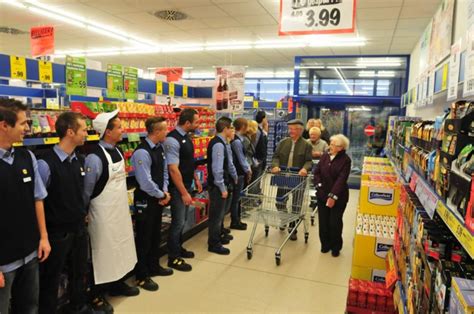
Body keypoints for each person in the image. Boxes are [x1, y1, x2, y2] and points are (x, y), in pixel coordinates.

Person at [83, 110, 139, 313]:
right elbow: (88, 190)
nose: (123, 130)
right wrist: (84, 211)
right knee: (101, 252)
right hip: (103, 213)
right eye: (119, 127)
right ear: (107, 131)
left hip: (119, 211)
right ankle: (96, 294)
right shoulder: (94, 157)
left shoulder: (117, 151)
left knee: (121, 246)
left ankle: (117, 283)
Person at [37, 112, 92, 314]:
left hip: (78, 228)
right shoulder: (45, 163)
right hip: (57, 233)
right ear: (70, 132)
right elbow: (38, 201)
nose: (87, 133)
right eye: (84, 129)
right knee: (51, 279)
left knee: (80, 272)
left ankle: (79, 307)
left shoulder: (78, 160)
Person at [0, 99, 50, 314]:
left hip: (30, 251)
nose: (27, 128)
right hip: (3, 261)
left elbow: (37, 199)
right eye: (22, 123)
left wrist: (44, 237)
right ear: (4, 125)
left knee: (29, 306)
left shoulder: (27, 157)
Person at [131, 117, 173, 292]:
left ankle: (153, 266)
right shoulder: (142, 152)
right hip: (146, 200)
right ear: (156, 132)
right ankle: (141, 275)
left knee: (155, 234)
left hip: (158, 198)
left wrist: (164, 191)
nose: (167, 132)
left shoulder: (160, 148)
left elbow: (163, 171)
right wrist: (161, 194)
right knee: (144, 238)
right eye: (164, 129)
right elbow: (144, 181)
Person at [165, 108, 202, 272]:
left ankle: (178, 248)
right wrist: (184, 192)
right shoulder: (172, 140)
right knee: (178, 222)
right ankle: (173, 257)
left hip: (187, 185)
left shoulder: (186, 137)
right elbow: (173, 170)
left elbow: (188, 162)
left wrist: (195, 179)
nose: (198, 124)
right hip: (177, 189)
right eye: (196, 121)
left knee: (183, 221)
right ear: (187, 123)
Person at [271, 119, 312, 241]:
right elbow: (275, 157)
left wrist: (305, 168)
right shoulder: (283, 142)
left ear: (300, 130)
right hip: (283, 177)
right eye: (290, 129)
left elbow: (309, 161)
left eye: (294, 129)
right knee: (279, 202)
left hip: (298, 178)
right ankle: (284, 218)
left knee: (296, 205)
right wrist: (275, 165)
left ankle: (292, 227)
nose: (291, 131)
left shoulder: (306, 145)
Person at [313, 134, 352, 257]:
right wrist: (319, 185)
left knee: (334, 222)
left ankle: (336, 247)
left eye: (333, 144)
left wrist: (333, 196)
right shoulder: (325, 156)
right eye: (331, 143)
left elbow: (341, 179)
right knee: (323, 222)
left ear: (341, 148)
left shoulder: (346, 160)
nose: (330, 146)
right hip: (322, 194)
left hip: (338, 197)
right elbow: (317, 172)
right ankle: (325, 245)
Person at [207, 117, 238, 255]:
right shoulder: (218, 144)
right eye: (230, 127)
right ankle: (214, 243)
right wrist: (222, 187)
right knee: (216, 216)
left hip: (223, 183)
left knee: (220, 214)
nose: (232, 130)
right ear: (225, 129)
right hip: (217, 186)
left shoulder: (223, 142)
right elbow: (217, 169)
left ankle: (218, 236)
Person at [229, 118, 252, 230]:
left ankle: (237, 219)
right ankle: (235, 221)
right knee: (236, 198)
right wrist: (248, 170)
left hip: (239, 172)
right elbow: (241, 158)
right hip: (238, 173)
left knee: (238, 198)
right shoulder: (237, 141)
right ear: (243, 126)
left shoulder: (238, 139)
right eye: (247, 126)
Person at [254, 110, 268, 180]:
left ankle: (257, 190)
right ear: (263, 118)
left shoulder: (260, 130)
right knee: (255, 180)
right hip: (258, 160)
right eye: (266, 118)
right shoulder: (257, 130)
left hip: (261, 159)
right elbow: (254, 146)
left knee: (259, 179)